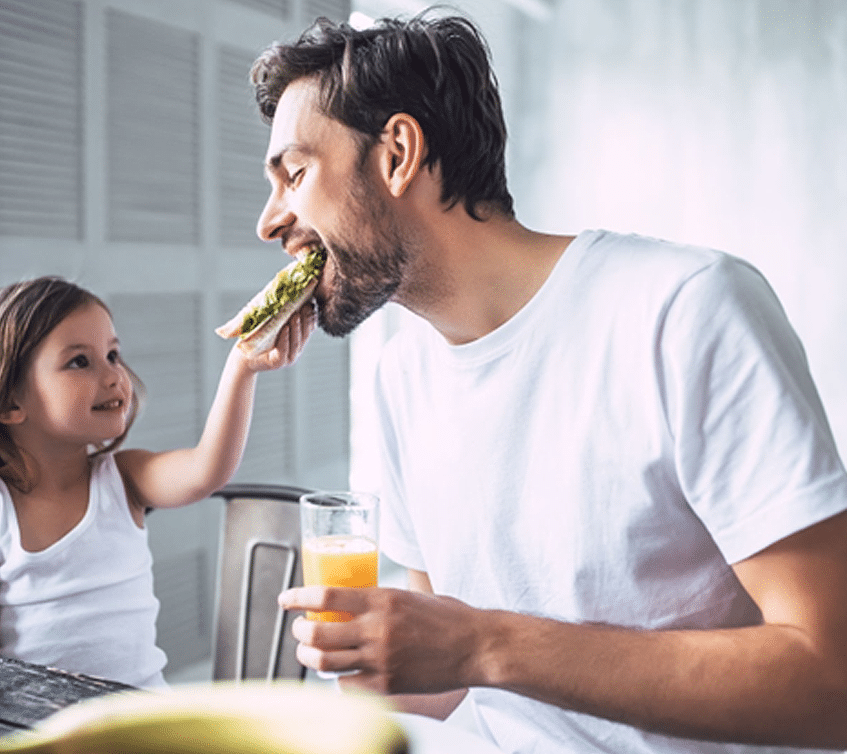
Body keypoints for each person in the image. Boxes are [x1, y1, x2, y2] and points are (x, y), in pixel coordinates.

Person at [252, 12, 847, 753]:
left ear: (398, 153)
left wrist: (483, 644)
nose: (269, 221)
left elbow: (831, 681)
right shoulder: (400, 377)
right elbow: (446, 682)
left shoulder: (685, 308)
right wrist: (373, 656)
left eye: (295, 174)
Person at [0, 276, 314, 688]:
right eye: (80, 361)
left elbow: (207, 469)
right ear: (9, 401)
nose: (115, 376)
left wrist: (243, 366)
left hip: (142, 721)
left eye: (113, 354)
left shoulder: (124, 478)